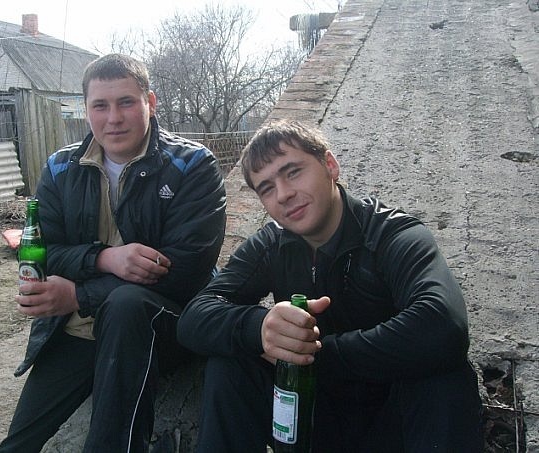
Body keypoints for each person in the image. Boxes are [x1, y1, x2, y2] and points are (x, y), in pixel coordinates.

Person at [177, 120, 483, 452]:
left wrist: (313, 354)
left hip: (393, 420)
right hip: (312, 420)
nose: (284, 194)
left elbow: (444, 323)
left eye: (293, 172)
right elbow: (195, 316)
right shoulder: (271, 245)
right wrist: (260, 328)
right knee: (230, 363)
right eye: (266, 188)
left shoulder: (390, 234)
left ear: (330, 166)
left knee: (445, 373)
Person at [0, 54, 226, 453]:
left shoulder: (192, 166)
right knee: (17, 445)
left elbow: (186, 270)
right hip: (80, 329)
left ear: (150, 103)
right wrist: (104, 258)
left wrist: (78, 295)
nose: (113, 118)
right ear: (85, 109)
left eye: (126, 102)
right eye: (100, 105)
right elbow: (41, 253)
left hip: (164, 324)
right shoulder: (60, 168)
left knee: (125, 305)